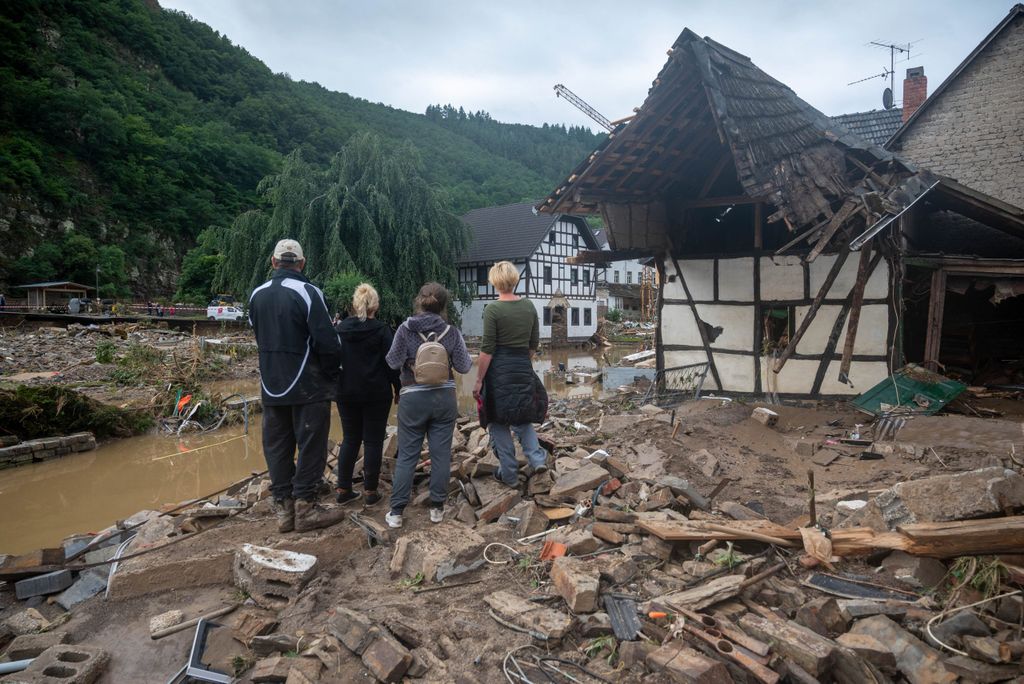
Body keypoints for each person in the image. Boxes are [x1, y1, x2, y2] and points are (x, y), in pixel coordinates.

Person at [248, 238, 346, 533]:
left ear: (273, 262)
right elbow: (327, 342)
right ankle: (306, 508)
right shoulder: (308, 291)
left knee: (276, 446)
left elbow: (260, 336)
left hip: (271, 384)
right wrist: (332, 375)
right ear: (302, 264)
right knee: (310, 446)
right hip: (308, 386)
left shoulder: (256, 295)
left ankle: (284, 511)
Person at [384, 282, 472, 528]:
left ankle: (396, 512)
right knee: (441, 454)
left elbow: (392, 362)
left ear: (419, 302)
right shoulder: (451, 332)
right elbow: (465, 366)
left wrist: (409, 361)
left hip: (413, 397)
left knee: (407, 456)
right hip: (444, 398)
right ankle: (437, 509)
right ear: (443, 305)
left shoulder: (404, 329)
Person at [473, 261, 549, 486]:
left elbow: (487, 350)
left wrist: (478, 380)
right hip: (522, 366)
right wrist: (523, 362)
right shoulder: (529, 307)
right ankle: (536, 459)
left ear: (494, 282)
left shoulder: (493, 309)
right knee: (523, 416)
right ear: (515, 279)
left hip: (498, 372)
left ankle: (508, 472)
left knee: (498, 421)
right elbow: (534, 344)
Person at [334, 283, 400, 507]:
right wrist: (398, 388)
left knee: (350, 439)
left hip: (346, 392)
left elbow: (332, 360)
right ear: (376, 305)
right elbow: (392, 364)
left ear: (354, 304)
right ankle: (371, 492)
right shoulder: (382, 330)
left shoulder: (340, 330)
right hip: (376, 394)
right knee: (373, 441)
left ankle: (343, 489)